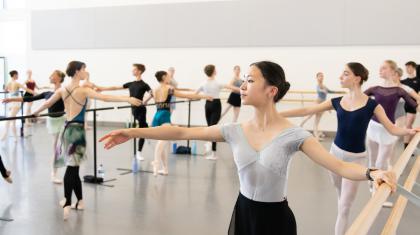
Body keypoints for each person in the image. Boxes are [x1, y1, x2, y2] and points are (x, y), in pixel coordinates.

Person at [100, 61, 396, 235]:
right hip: (243, 215)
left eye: (250, 80)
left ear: (271, 90)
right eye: (242, 80)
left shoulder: (294, 135)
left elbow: (341, 166)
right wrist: (131, 130)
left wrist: (374, 173)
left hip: (275, 220)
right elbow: (179, 129)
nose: (242, 85)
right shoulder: (233, 130)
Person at [278, 62, 417, 235]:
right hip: (334, 156)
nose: (340, 77)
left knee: (344, 207)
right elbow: (308, 109)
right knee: (339, 195)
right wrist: (277, 114)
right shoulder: (337, 101)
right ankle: (342, 200)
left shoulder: (371, 105)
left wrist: (409, 130)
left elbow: (392, 128)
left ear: (357, 78)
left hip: (356, 159)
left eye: (345, 74)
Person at [32, 61, 141, 220]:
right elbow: (105, 98)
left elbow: (47, 103)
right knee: (71, 169)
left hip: (66, 129)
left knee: (73, 169)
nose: (85, 71)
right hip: (76, 132)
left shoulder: (63, 89)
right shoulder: (83, 90)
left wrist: (35, 112)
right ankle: (68, 202)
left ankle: (80, 202)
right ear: (77, 72)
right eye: (83, 69)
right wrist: (128, 99)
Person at [365, 60, 418, 207]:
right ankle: (372, 189)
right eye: (380, 68)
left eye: (384, 68)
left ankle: (376, 192)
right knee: (372, 160)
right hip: (373, 126)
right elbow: (359, 99)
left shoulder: (399, 90)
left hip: (388, 129)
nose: (380, 70)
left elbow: (414, 104)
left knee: (381, 163)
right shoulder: (374, 88)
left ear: (393, 72)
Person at [3, 70, 67, 184]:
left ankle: (58, 172)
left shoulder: (63, 91)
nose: (50, 76)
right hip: (52, 121)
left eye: (52, 75)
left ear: (58, 78)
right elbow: (29, 98)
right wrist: (11, 99)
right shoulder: (48, 93)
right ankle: (54, 173)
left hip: (62, 120)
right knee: (56, 147)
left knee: (59, 147)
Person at [150, 70, 212, 176]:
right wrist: (204, 96)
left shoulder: (154, 89)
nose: (170, 78)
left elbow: (149, 100)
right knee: (162, 141)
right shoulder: (169, 89)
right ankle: (156, 162)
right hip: (165, 115)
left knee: (164, 142)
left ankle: (164, 169)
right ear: (164, 77)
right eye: (168, 76)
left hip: (157, 115)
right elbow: (186, 96)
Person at [96, 64, 153, 161]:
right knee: (142, 128)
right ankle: (147, 130)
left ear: (139, 71)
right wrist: (102, 89)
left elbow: (152, 93)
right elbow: (115, 87)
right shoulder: (130, 83)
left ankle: (139, 152)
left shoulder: (144, 84)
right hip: (133, 109)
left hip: (141, 109)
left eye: (134, 70)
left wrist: (145, 102)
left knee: (142, 130)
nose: (132, 71)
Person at [196, 64, 240, 160]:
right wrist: (243, 89)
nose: (216, 71)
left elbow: (195, 94)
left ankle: (210, 147)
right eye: (215, 69)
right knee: (213, 128)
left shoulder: (203, 84)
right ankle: (213, 152)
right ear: (213, 72)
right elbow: (231, 87)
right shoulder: (217, 83)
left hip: (207, 104)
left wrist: (204, 96)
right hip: (216, 104)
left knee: (210, 127)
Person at [300, 72, 342, 140]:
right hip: (317, 104)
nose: (321, 77)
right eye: (320, 76)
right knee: (308, 117)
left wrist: (339, 92)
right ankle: (298, 128)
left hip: (322, 105)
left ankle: (316, 136)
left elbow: (330, 91)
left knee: (317, 122)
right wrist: (323, 91)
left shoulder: (324, 86)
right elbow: (319, 90)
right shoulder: (318, 85)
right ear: (317, 78)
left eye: (322, 76)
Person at [1, 70, 34, 141]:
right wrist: (35, 93)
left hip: (14, 103)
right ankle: (12, 136)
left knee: (11, 119)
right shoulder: (16, 83)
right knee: (12, 120)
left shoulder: (10, 83)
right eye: (17, 75)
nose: (18, 76)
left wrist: (10, 91)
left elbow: (5, 89)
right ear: (15, 75)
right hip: (14, 103)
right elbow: (26, 89)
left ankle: (6, 135)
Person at [400, 61, 419, 149]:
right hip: (405, 105)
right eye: (406, 67)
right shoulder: (404, 81)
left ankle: (407, 147)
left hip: (413, 106)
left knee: (408, 125)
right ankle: (409, 146)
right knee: (409, 125)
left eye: (409, 67)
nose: (407, 69)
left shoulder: (418, 81)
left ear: (413, 68)